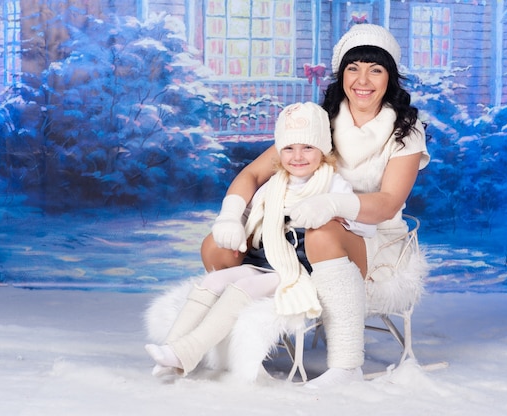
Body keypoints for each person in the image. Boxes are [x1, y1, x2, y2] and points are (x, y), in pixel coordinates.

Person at [200, 23, 430, 388]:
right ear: (342, 75)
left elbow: (387, 204)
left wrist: (333, 203)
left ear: (391, 77)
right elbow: (252, 175)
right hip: (292, 235)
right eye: (353, 68)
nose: (363, 80)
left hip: (369, 238)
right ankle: (239, 351)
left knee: (323, 234)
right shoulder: (318, 120)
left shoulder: (405, 129)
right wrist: (230, 215)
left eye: (376, 69)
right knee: (217, 246)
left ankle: (345, 366)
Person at [145, 102, 375, 377]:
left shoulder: (333, 183)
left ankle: (188, 351)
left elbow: (365, 226)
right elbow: (250, 214)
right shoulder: (273, 185)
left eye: (308, 148)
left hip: (300, 268)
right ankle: (172, 349)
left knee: (247, 287)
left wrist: (331, 210)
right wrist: (233, 222)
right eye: (289, 148)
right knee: (214, 281)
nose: (298, 156)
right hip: (265, 257)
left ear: (323, 151)